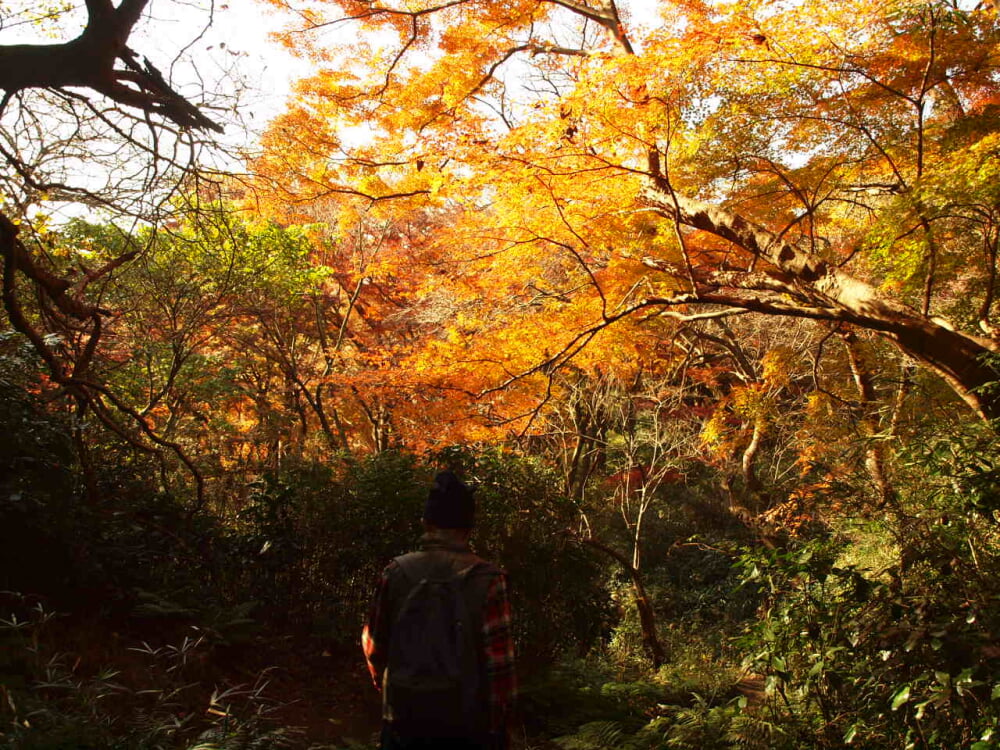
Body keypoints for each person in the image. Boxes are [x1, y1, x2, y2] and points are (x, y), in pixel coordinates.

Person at [362, 470, 516, 750]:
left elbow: (374, 644)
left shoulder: (395, 571)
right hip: (467, 726)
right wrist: (495, 727)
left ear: (425, 523)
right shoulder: (489, 579)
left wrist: (389, 688)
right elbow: (499, 667)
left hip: (403, 720)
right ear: (468, 528)